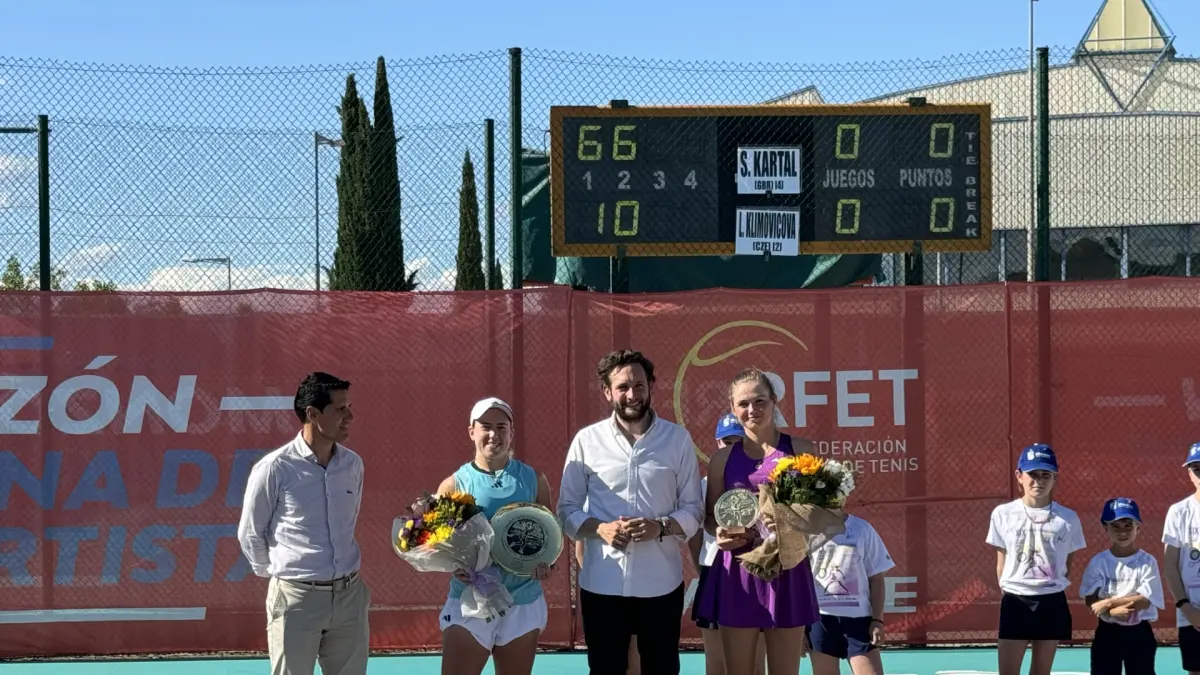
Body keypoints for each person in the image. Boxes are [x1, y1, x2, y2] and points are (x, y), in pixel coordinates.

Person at [557, 349, 706, 675]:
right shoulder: (587, 440)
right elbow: (566, 511)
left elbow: (694, 510)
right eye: (622, 387)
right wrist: (600, 529)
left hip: (661, 586)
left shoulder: (677, 439)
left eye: (639, 385)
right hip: (602, 586)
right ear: (607, 392)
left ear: (651, 386)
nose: (632, 394)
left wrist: (661, 526)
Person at [237, 372, 369, 675]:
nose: (350, 417)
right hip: (295, 600)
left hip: (350, 597)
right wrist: (284, 577)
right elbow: (250, 533)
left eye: (349, 407)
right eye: (340, 409)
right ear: (312, 414)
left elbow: (349, 522)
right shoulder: (275, 467)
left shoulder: (353, 464)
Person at [694, 368, 822, 675]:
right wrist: (720, 533)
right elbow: (711, 518)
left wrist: (793, 522)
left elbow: (819, 513)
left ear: (774, 400)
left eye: (760, 401)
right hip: (737, 575)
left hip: (788, 572)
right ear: (733, 408)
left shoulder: (802, 451)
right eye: (743, 403)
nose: (752, 409)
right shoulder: (721, 460)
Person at [436, 397, 556, 675]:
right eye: (486, 427)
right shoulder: (453, 484)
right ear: (472, 432)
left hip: (523, 603)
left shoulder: (534, 480)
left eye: (501, 427)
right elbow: (439, 546)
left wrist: (545, 566)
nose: (493, 434)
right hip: (470, 603)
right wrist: (454, 566)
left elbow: (548, 539)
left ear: (511, 432)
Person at [985, 443, 1086, 675]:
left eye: (1045, 475)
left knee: (1041, 672)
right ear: (1019, 476)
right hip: (1015, 601)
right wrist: (1013, 589)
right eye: (1033, 474)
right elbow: (1001, 562)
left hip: (1051, 601)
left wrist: (1047, 585)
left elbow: (1066, 563)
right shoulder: (1002, 514)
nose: (1038, 481)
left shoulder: (1068, 519)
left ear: (1055, 478)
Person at [690, 413, 766, 675]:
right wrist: (703, 571)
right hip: (716, 572)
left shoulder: (763, 481)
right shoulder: (703, 485)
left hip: (757, 571)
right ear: (717, 443)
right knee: (717, 664)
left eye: (738, 441)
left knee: (755, 663)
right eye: (726, 442)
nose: (732, 447)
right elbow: (695, 534)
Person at [805, 497, 894, 675]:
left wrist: (877, 620)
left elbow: (876, 578)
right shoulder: (807, 531)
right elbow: (800, 584)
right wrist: (802, 629)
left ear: (844, 496)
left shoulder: (862, 529)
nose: (831, 500)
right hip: (820, 620)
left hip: (859, 620)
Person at [1080, 497, 1163, 675]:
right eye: (1115, 526)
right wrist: (1110, 613)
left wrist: (1109, 603)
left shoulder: (1147, 561)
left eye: (1128, 525)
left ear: (1138, 527)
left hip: (1140, 633)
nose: (1122, 532)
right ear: (1105, 528)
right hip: (1107, 633)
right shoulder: (1099, 562)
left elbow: (1145, 600)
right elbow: (1090, 599)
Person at [574, 540, 641, 675]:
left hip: (644, 595)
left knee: (636, 663)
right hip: (603, 599)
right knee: (605, 663)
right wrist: (596, 581)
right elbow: (580, 548)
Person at [1163, 442, 1200, 675]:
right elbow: (1170, 565)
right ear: (1189, 473)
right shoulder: (1178, 511)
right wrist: (1186, 607)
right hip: (1192, 613)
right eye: (1197, 469)